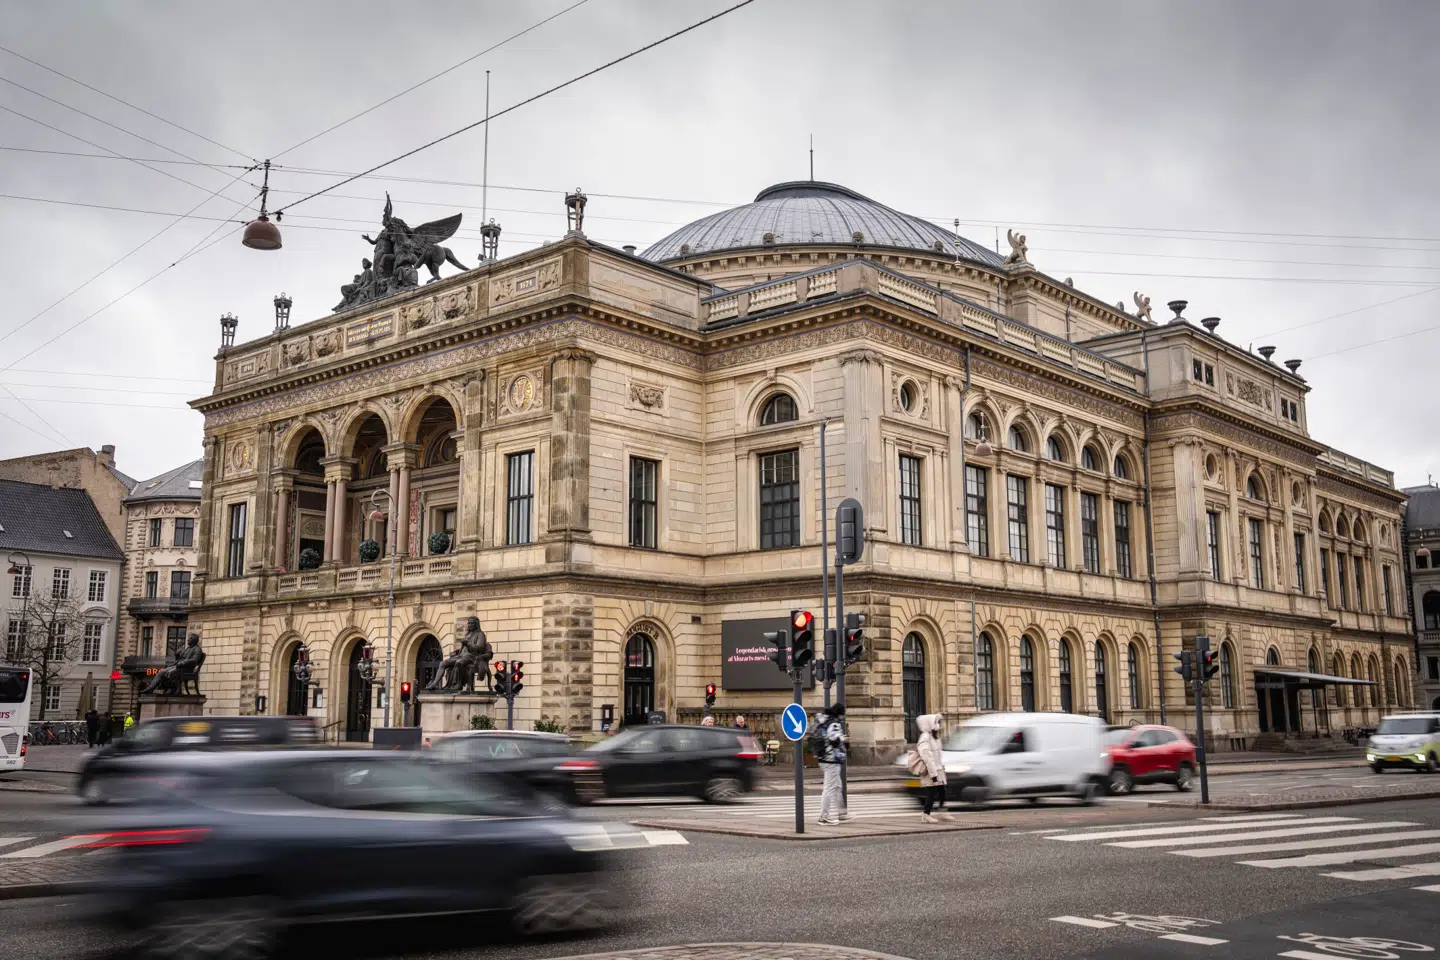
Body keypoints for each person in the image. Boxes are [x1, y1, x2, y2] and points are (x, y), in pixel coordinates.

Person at [815, 703, 851, 825]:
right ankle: (824, 817)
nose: (842, 717)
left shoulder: (824, 720)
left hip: (823, 758)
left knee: (837, 786)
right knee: (829, 788)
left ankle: (842, 813)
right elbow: (834, 739)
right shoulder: (834, 723)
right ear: (839, 713)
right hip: (831, 759)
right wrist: (844, 739)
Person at [915, 713, 948, 823]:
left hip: (938, 769)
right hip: (931, 771)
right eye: (936, 722)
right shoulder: (925, 738)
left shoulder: (935, 737)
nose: (938, 725)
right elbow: (927, 757)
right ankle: (925, 814)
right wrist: (933, 774)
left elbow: (938, 754)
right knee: (932, 793)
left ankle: (942, 811)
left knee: (942, 791)